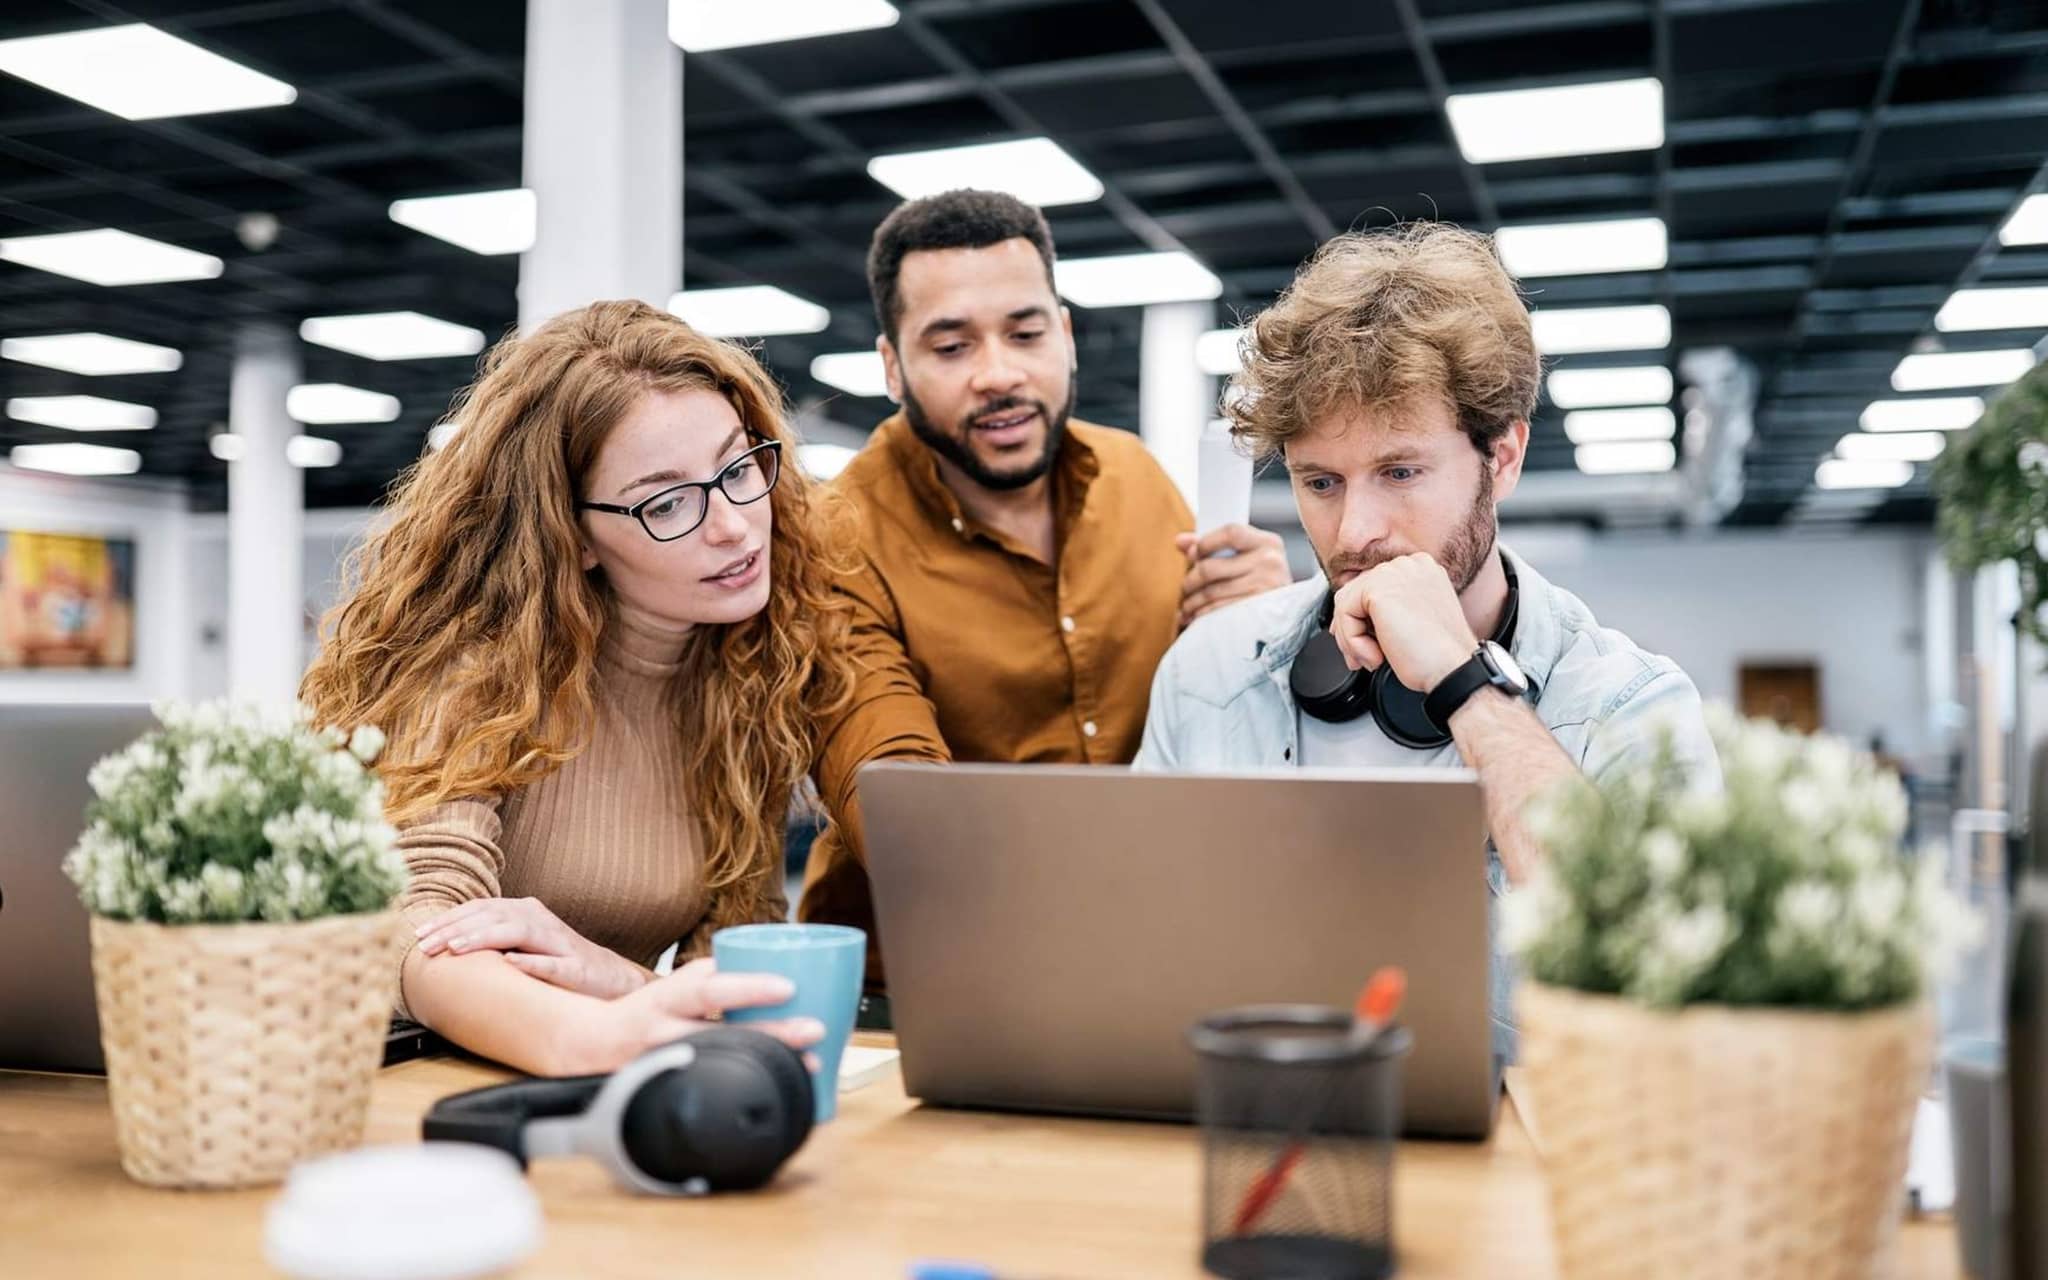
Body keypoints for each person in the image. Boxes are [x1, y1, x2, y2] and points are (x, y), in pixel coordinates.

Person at [1133, 224, 1719, 1053]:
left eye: (1400, 472)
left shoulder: (1631, 709)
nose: (1355, 532)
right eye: (1320, 482)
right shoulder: (1208, 673)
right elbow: (1141, 957)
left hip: (1522, 1136)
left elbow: (1666, 991)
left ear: (1502, 457)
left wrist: (1464, 684)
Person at [300, 300, 855, 1077]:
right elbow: (412, 925)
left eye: (737, 469)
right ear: (574, 533)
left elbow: (720, 977)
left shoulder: (747, 683)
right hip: (414, 1087)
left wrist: (615, 982)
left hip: (610, 1093)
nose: (732, 525)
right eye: (667, 502)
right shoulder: (476, 673)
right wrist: (591, 1034)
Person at [798, 190, 1295, 983]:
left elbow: (1210, 713)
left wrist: (1265, 629)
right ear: (893, 367)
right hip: (923, 978)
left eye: (1025, 334)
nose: (999, 375)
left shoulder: (1134, 476)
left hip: (1143, 955)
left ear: (1064, 336)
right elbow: (890, 792)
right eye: (951, 346)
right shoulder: (836, 536)